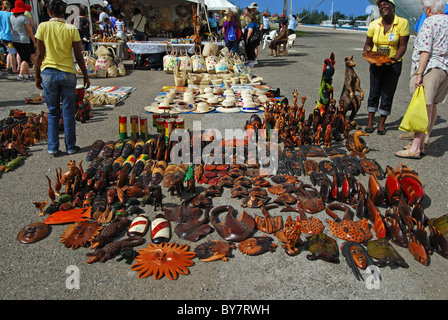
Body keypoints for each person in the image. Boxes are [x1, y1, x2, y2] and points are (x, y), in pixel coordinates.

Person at [34, 0, 90, 156]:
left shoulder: (43, 27)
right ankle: (70, 147)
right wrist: (85, 76)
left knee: (52, 112)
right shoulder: (71, 29)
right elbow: (79, 56)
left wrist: (37, 75)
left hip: (48, 73)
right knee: (68, 112)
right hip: (67, 73)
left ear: (49, 12)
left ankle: (53, 147)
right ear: (64, 11)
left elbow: (39, 54)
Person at [395, 0, 448, 159]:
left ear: (429, 8)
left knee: (422, 108)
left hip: (431, 68)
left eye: (424, 7)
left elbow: (425, 51)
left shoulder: (429, 22)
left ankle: (416, 148)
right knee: (431, 105)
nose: (423, 10)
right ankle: (423, 141)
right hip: (444, 68)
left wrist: (419, 74)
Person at [363, 0, 409, 135]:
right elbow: (368, 43)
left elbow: (403, 45)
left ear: (393, 7)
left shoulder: (402, 23)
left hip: (393, 64)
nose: (383, 6)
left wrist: (393, 59)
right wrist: (367, 51)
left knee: (387, 93)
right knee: (374, 92)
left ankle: (382, 123)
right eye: (380, 5)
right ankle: (370, 121)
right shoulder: (374, 24)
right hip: (377, 63)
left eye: (386, 3)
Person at [10, 0, 36, 81]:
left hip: (15, 39)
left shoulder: (11, 17)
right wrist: (33, 40)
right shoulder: (24, 18)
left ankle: (29, 74)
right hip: (24, 40)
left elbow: (11, 29)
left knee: (22, 57)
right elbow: (29, 30)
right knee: (26, 59)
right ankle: (20, 75)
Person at [0, 0, 16, 75]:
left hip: (2, 36)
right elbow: (12, 25)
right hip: (9, 36)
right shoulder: (10, 14)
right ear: (9, 7)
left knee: (9, 51)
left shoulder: (0, 13)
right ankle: (13, 68)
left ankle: (7, 67)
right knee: (12, 52)